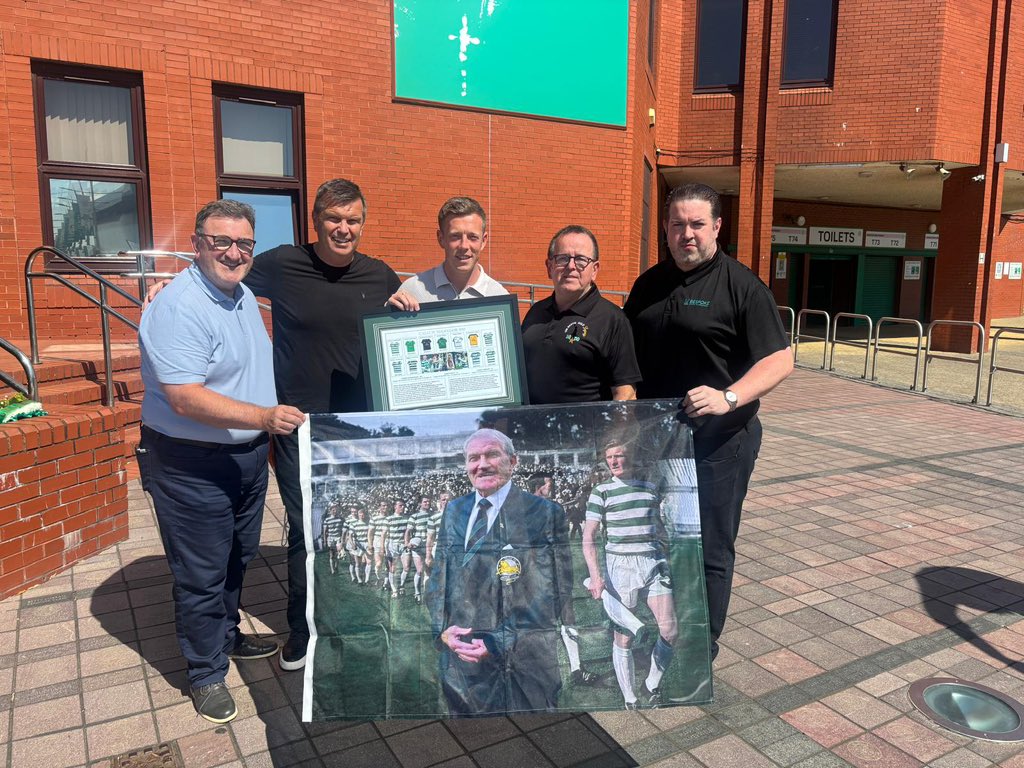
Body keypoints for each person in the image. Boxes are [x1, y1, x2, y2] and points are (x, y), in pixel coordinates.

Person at [138, 199, 305, 723]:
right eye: (221, 242)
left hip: (246, 457)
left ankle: (227, 638)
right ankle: (205, 672)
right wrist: (264, 416)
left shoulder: (244, 295)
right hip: (192, 463)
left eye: (244, 244)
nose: (234, 252)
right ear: (197, 245)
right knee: (202, 572)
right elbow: (184, 397)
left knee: (238, 556)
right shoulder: (180, 306)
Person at [623, 182, 793, 660]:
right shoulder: (649, 284)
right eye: (677, 224)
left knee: (709, 546)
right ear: (666, 228)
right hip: (656, 440)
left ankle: (702, 643)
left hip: (718, 442)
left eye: (697, 224)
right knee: (658, 537)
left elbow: (780, 360)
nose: (687, 234)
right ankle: (662, 626)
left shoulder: (742, 286)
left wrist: (729, 396)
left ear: (717, 227)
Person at [245, 179, 402, 670]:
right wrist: (176, 284)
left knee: (361, 528)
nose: (344, 228)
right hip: (299, 425)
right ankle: (303, 632)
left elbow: (401, 335)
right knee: (306, 530)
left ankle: (365, 619)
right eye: (334, 219)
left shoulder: (380, 277)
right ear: (316, 221)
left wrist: (408, 311)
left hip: (358, 432)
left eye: (353, 219)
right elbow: (222, 276)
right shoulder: (282, 264)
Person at [427, 429, 572, 715]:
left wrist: (497, 641)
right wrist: (441, 632)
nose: (482, 464)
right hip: (462, 656)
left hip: (523, 657)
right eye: (473, 458)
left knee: (533, 745)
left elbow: (553, 590)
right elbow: (439, 576)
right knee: (470, 744)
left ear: (513, 461)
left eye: (492, 454)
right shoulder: (455, 510)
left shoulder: (544, 512)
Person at [583, 439, 677, 710]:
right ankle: (630, 697)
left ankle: (652, 685)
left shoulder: (649, 489)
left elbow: (660, 530)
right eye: (609, 457)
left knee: (670, 630)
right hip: (620, 568)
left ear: (631, 457)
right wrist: (596, 575)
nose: (613, 461)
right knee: (624, 637)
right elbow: (588, 537)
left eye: (619, 455)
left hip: (653, 563)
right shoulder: (601, 491)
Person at [521, 225, 640, 404]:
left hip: (586, 431)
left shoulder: (613, 320)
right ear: (549, 266)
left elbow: (626, 395)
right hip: (531, 430)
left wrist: (612, 433)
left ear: (595, 269)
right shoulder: (535, 313)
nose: (571, 266)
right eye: (562, 259)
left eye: (581, 260)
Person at [388, 197, 507, 311]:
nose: (464, 246)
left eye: (473, 237)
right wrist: (389, 313)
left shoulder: (499, 297)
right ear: (441, 239)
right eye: (455, 236)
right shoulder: (412, 290)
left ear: (484, 241)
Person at [406, 496, 433, 603]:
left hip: (429, 546)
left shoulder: (432, 515)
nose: (427, 503)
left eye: (429, 501)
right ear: (420, 503)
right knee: (420, 570)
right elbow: (408, 531)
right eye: (425, 501)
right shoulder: (414, 516)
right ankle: (417, 593)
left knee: (428, 571)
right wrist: (407, 543)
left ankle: (427, 594)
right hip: (417, 546)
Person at [321, 503, 346, 575]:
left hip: (338, 537)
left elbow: (343, 529)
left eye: (336, 510)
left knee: (338, 553)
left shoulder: (340, 519)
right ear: (330, 510)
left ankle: (336, 566)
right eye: (333, 510)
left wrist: (342, 539)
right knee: (331, 554)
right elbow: (325, 531)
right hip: (331, 538)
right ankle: (332, 569)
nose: (335, 511)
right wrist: (325, 541)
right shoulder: (327, 520)